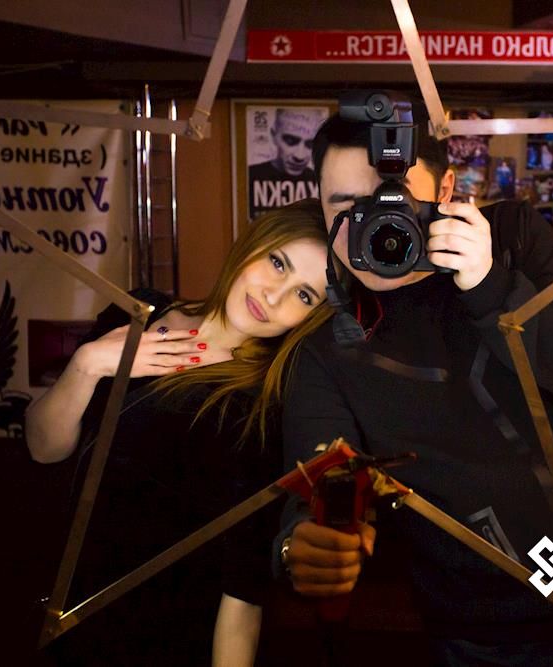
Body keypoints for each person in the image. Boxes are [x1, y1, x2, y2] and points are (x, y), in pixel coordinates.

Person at [276, 114, 553, 664]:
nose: (373, 223)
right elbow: (319, 478)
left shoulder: (512, 238)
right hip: (478, 625)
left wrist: (492, 287)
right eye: (345, 205)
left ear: (445, 190)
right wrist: (302, 543)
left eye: (393, 199)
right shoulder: (328, 344)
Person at [25, 199, 332, 666]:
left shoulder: (261, 412)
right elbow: (43, 448)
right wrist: (88, 364)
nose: (274, 297)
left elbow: (241, 595)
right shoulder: (139, 311)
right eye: (277, 263)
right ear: (253, 243)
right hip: (58, 611)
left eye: (304, 295)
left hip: (156, 639)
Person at [247, 109, 324, 220]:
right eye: (290, 140)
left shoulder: (321, 182)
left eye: (310, 144)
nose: (299, 156)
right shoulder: (249, 176)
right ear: (274, 135)